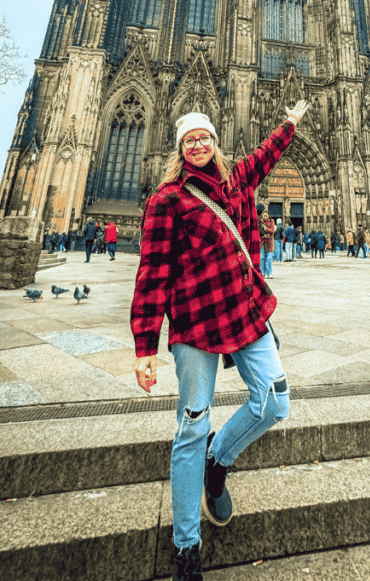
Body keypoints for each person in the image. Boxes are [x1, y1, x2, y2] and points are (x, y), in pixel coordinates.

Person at [132, 100, 309, 581]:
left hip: (244, 312)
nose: (199, 144)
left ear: (214, 142)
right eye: (190, 139)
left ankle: (219, 458)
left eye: (204, 137)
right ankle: (187, 547)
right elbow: (151, 275)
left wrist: (290, 124)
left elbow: (265, 156)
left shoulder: (234, 183)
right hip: (194, 323)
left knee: (274, 401)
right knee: (191, 425)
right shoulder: (167, 200)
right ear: (180, 148)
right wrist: (145, 345)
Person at [259, 211, 275, 279]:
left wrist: (265, 229)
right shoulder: (260, 222)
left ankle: (269, 273)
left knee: (269, 258)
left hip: (269, 241)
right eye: (264, 216)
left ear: (268, 216)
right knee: (262, 257)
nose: (265, 217)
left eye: (266, 215)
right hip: (262, 242)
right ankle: (262, 272)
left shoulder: (271, 221)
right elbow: (259, 231)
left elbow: (273, 231)